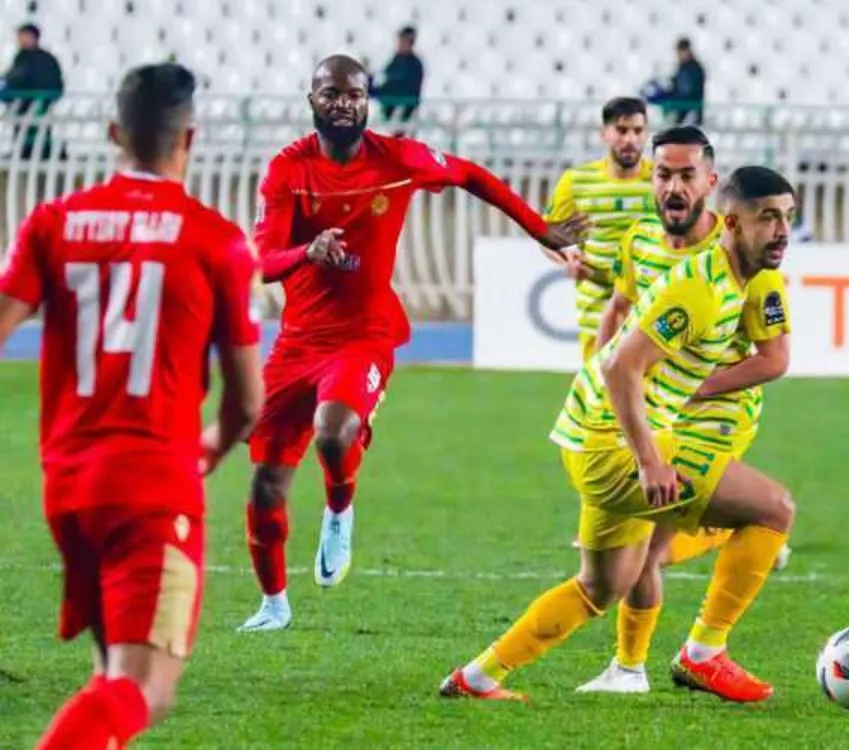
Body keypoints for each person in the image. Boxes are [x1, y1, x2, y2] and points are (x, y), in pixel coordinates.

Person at [238, 55, 588, 633]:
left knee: (334, 430)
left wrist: (538, 227)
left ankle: (339, 508)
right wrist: (308, 251)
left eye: (354, 94)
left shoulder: (398, 159)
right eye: (331, 93)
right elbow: (264, 260)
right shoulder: (287, 171)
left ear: (367, 101)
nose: (343, 103)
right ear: (311, 100)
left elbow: (471, 175)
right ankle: (273, 605)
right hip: (298, 342)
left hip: (364, 334)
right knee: (266, 484)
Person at [439, 166, 796, 703]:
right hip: (615, 444)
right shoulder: (701, 289)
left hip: (591, 439)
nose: (782, 231)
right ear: (731, 222)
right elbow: (620, 366)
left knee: (602, 586)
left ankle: (478, 678)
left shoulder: (731, 282)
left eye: (787, 217)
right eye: (767, 218)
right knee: (774, 510)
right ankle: (703, 654)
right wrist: (650, 461)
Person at [0, 63, 263, 749]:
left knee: (110, 674)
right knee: (141, 688)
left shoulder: (54, 222)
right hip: (153, 488)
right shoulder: (215, 240)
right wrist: (210, 447)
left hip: (69, 488)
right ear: (190, 138)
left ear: (114, 132)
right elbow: (247, 401)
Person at [577, 129, 793, 694]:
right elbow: (621, 307)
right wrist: (600, 372)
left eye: (686, 175)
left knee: (647, 547)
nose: (674, 186)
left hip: (716, 419)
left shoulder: (748, 256)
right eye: (664, 174)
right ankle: (639, 665)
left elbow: (775, 358)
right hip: (657, 411)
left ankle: (647, 664)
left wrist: (699, 387)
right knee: (645, 547)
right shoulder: (641, 242)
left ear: (709, 183)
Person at [545, 96, 654, 361]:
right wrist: (567, 256)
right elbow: (546, 235)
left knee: (645, 382)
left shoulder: (661, 180)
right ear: (604, 133)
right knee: (598, 380)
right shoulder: (576, 181)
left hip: (649, 300)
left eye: (638, 131)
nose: (630, 139)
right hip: (596, 301)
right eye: (622, 130)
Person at [0, 23, 64, 160]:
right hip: (30, 101)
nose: (20, 40)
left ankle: (34, 153)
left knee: (34, 128)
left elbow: (19, 77)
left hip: (34, 100)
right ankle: (26, 152)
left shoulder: (38, 59)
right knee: (27, 128)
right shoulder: (25, 57)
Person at [374, 26, 424, 128]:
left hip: (401, 109)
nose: (399, 43)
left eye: (403, 40)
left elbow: (407, 89)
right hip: (388, 105)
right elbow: (385, 74)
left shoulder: (414, 64)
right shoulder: (396, 59)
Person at [667, 38, 705, 126]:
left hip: (690, 111)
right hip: (683, 112)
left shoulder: (693, 69)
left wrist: (672, 98)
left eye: (680, 52)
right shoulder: (683, 68)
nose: (678, 55)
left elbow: (687, 91)